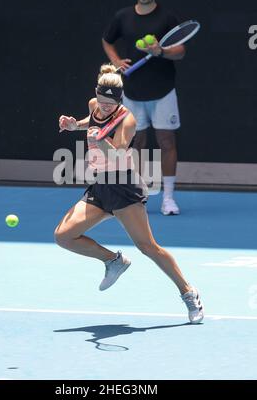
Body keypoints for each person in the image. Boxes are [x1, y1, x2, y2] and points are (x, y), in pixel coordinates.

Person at [55, 64, 204, 324]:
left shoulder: (128, 120)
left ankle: (188, 292)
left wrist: (99, 139)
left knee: (148, 247)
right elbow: (89, 122)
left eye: (109, 104)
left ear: (119, 101)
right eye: (101, 102)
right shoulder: (95, 105)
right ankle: (114, 261)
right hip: (101, 186)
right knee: (64, 236)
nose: (103, 107)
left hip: (125, 188)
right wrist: (73, 125)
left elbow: (118, 151)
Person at [102, 0, 185, 216]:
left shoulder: (167, 18)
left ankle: (168, 198)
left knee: (166, 142)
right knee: (135, 143)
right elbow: (107, 40)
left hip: (163, 91)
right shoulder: (123, 16)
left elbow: (180, 51)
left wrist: (162, 52)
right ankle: (137, 193)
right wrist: (116, 60)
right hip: (133, 92)